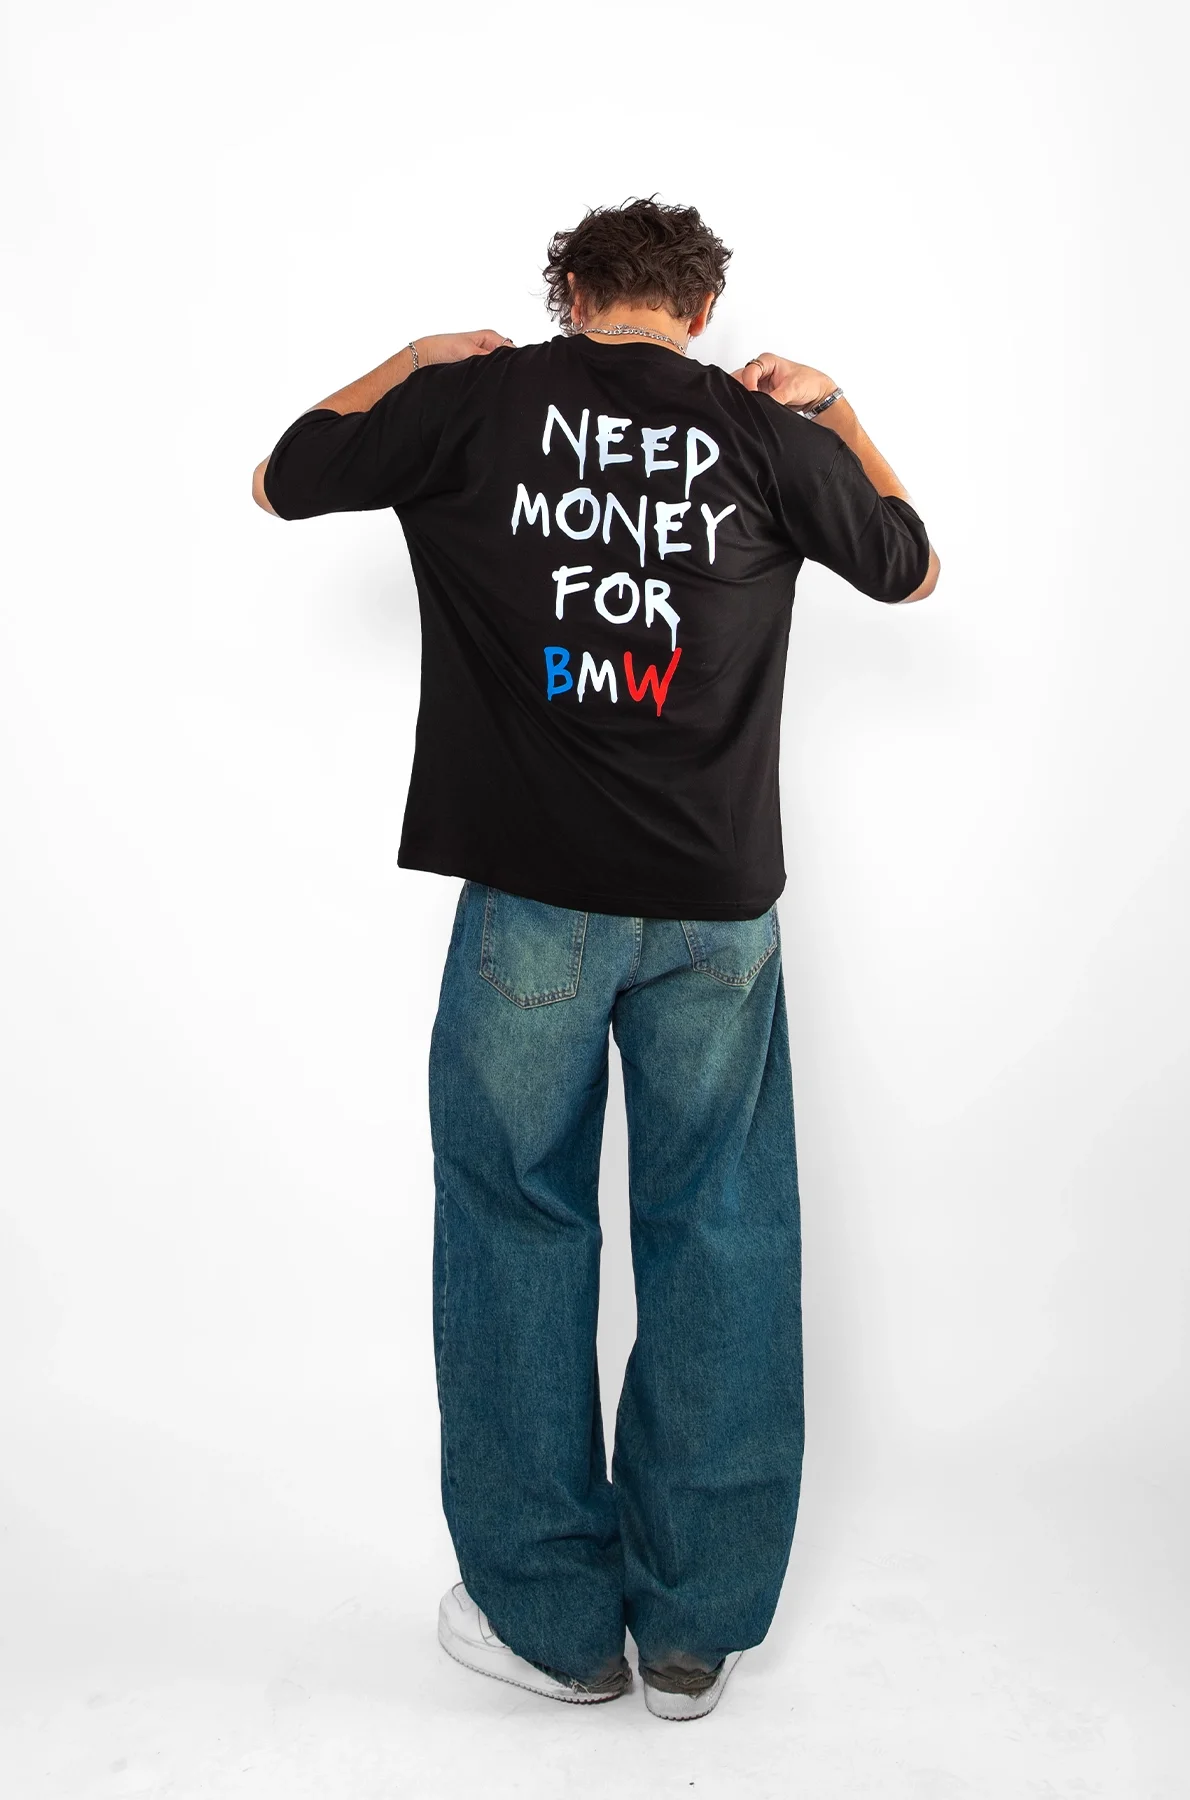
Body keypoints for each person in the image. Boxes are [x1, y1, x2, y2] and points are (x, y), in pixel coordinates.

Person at [252, 197, 938, 1721]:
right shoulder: (765, 436)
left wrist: (411, 359)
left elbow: (283, 474)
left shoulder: (474, 402)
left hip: (534, 906)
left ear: (566, 291)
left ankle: (555, 1628)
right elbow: (910, 565)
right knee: (722, 1231)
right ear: (700, 313)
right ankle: (691, 1634)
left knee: (516, 1224)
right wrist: (835, 407)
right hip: (715, 913)